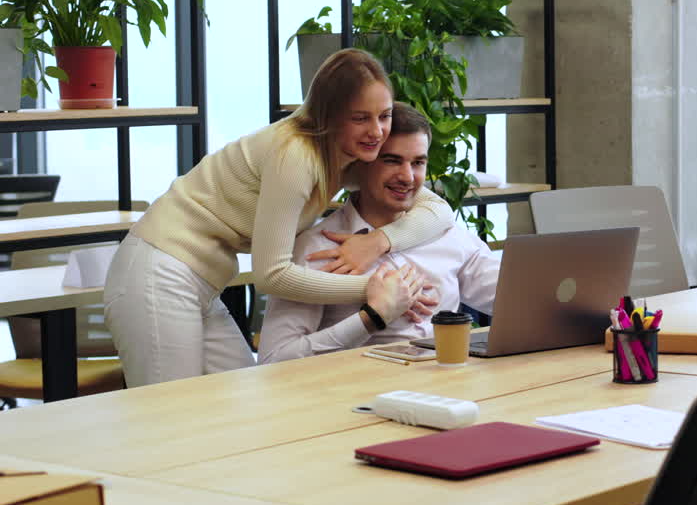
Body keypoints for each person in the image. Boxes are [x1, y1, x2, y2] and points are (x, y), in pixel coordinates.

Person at [104, 49, 454, 386]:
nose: (377, 131)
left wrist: (377, 242)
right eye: (360, 118)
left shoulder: (344, 157)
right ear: (328, 116)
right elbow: (271, 276)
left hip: (200, 283)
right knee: (168, 417)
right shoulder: (297, 157)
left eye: (384, 115)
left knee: (247, 403)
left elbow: (438, 210)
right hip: (159, 271)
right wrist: (375, 290)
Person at [258, 102, 498, 364]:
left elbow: (509, 297)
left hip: (449, 381)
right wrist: (372, 318)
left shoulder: (445, 233)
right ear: (359, 165)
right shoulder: (316, 247)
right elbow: (274, 361)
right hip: (360, 395)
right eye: (392, 161)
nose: (407, 177)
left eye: (418, 163)